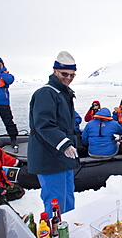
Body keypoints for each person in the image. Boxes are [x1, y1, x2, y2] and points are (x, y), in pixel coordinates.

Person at [27, 51, 80, 219]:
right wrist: (64, 144)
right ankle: (54, 232)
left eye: (72, 75)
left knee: (68, 198)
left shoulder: (63, 93)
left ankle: (69, 229)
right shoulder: (46, 93)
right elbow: (43, 124)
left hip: (63, 157)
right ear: (55, 71)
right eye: (65, 74)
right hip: (49, 157)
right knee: (55, 202)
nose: (68, 78)